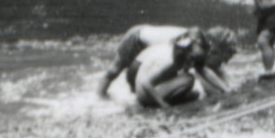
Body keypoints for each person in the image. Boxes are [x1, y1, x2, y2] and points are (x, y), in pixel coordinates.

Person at [98, 25, 235, 99]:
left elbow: (209, 69)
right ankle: (99, 96)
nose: (223, 64)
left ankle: (141, 97)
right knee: (113, 71)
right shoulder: (193, 45)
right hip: (137, 39)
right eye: (223, 59)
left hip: (152, 50)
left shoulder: (201, 42)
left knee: (153, 78)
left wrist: (228, 88)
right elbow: (204, 70)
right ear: (214, 51)